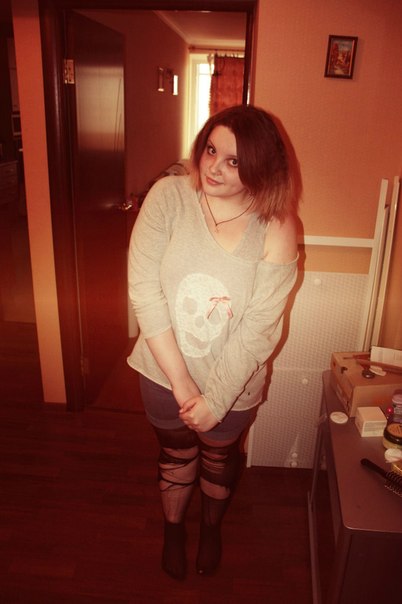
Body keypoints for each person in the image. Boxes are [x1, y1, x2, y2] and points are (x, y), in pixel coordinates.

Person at [127, 105, 299, 580]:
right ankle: (173, 530)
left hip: (235, 385)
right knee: (175, 457)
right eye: (210, 150)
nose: (213, 168)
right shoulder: (168, 197)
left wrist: (217, 399)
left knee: (219, 459)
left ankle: (211, 529)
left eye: (234, 161)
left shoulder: (278, 226)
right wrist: (183, 386)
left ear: (262, 167)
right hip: (162, 373)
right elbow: (145, 291)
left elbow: (260, 328)